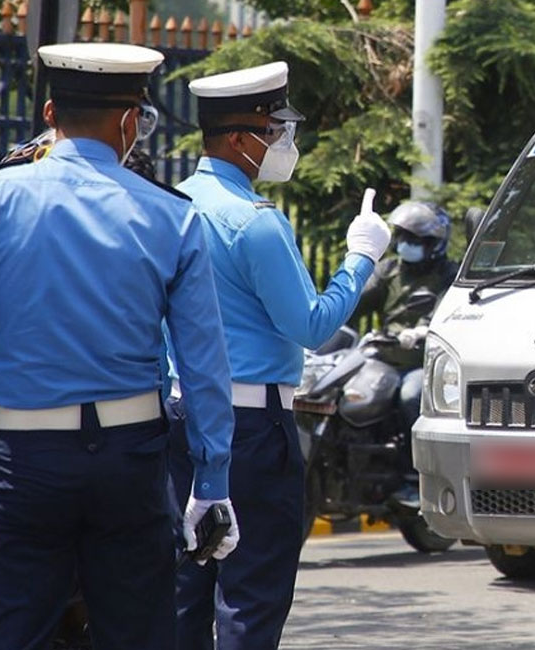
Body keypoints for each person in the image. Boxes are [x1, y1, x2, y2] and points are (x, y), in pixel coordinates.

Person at [0, 43, 238, 650]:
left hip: (20, 457)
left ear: (50, 113)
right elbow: (204, 365)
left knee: (8, 634)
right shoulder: (173, 217)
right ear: (133, 122)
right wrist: (211, 481)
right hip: (128, 460)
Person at [166, 61, 391, 650]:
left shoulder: (168, 207)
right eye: (274, 132)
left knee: (184, 588)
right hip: (250, 425)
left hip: (176, 416)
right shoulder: (256, 223)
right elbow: (311, 325)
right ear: (239, 139)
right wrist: (360, 257)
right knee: (251, 591)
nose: (284, 144)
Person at [348, 201, 457, 504]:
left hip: (423, 363)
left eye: (416, 239)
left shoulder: (449, 273)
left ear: (433, 244)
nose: (406, 244)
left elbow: (444, 310)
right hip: (384, 359)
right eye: (403, 237)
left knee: (411, 395)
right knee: (347, 392)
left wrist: (421, 330)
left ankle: (415, 478)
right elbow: (354, 303)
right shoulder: (389, 270)